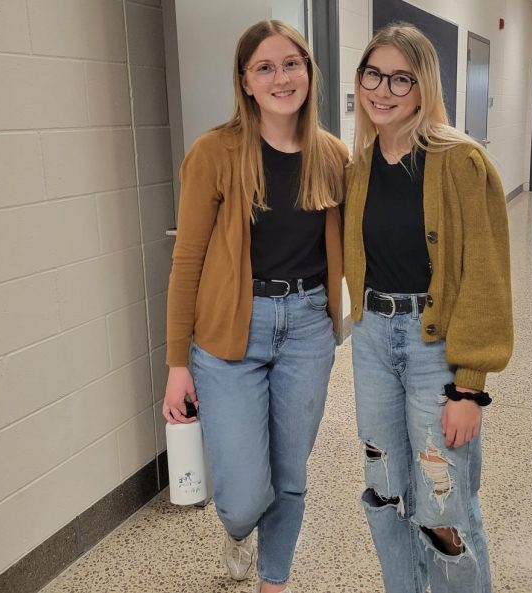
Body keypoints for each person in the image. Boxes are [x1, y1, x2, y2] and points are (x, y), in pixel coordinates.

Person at [162, 20, 347, 593]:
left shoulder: (332, 155)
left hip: (308, 328)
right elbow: (187, 260)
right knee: (242, 496)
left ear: (309, 71)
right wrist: (176, 365)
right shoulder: (215, 153)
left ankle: (274, 581)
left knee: (290, 476)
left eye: (292, 63)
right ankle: (237, 531)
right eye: (264, 67)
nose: (281, 77)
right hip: (227, 338)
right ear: (244, 82)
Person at [344, 23, 513, 593]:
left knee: (443, 507)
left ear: (423, 87)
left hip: (432, 349)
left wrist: (469, 387)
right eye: (374, 74)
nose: (383, 89)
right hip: (371, 341)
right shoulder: (359, 165)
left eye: (401, 78)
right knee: (386, 489)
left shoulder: (460, 161)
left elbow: (486, 278)